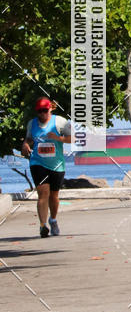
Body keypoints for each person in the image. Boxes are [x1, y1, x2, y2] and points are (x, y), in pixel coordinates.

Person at [21, 97, 72, 237]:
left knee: (54, 195)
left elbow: (72, 138)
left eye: (45, 110)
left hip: (57, 164)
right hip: (38, 162)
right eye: (39, 111)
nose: (42, 114)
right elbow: (29, 138)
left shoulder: (60, 122)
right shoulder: (32, 124)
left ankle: (53, 219)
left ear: (50, 108)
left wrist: (58, 138)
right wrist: (25, 144)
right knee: (42, 193)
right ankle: (43, 226)